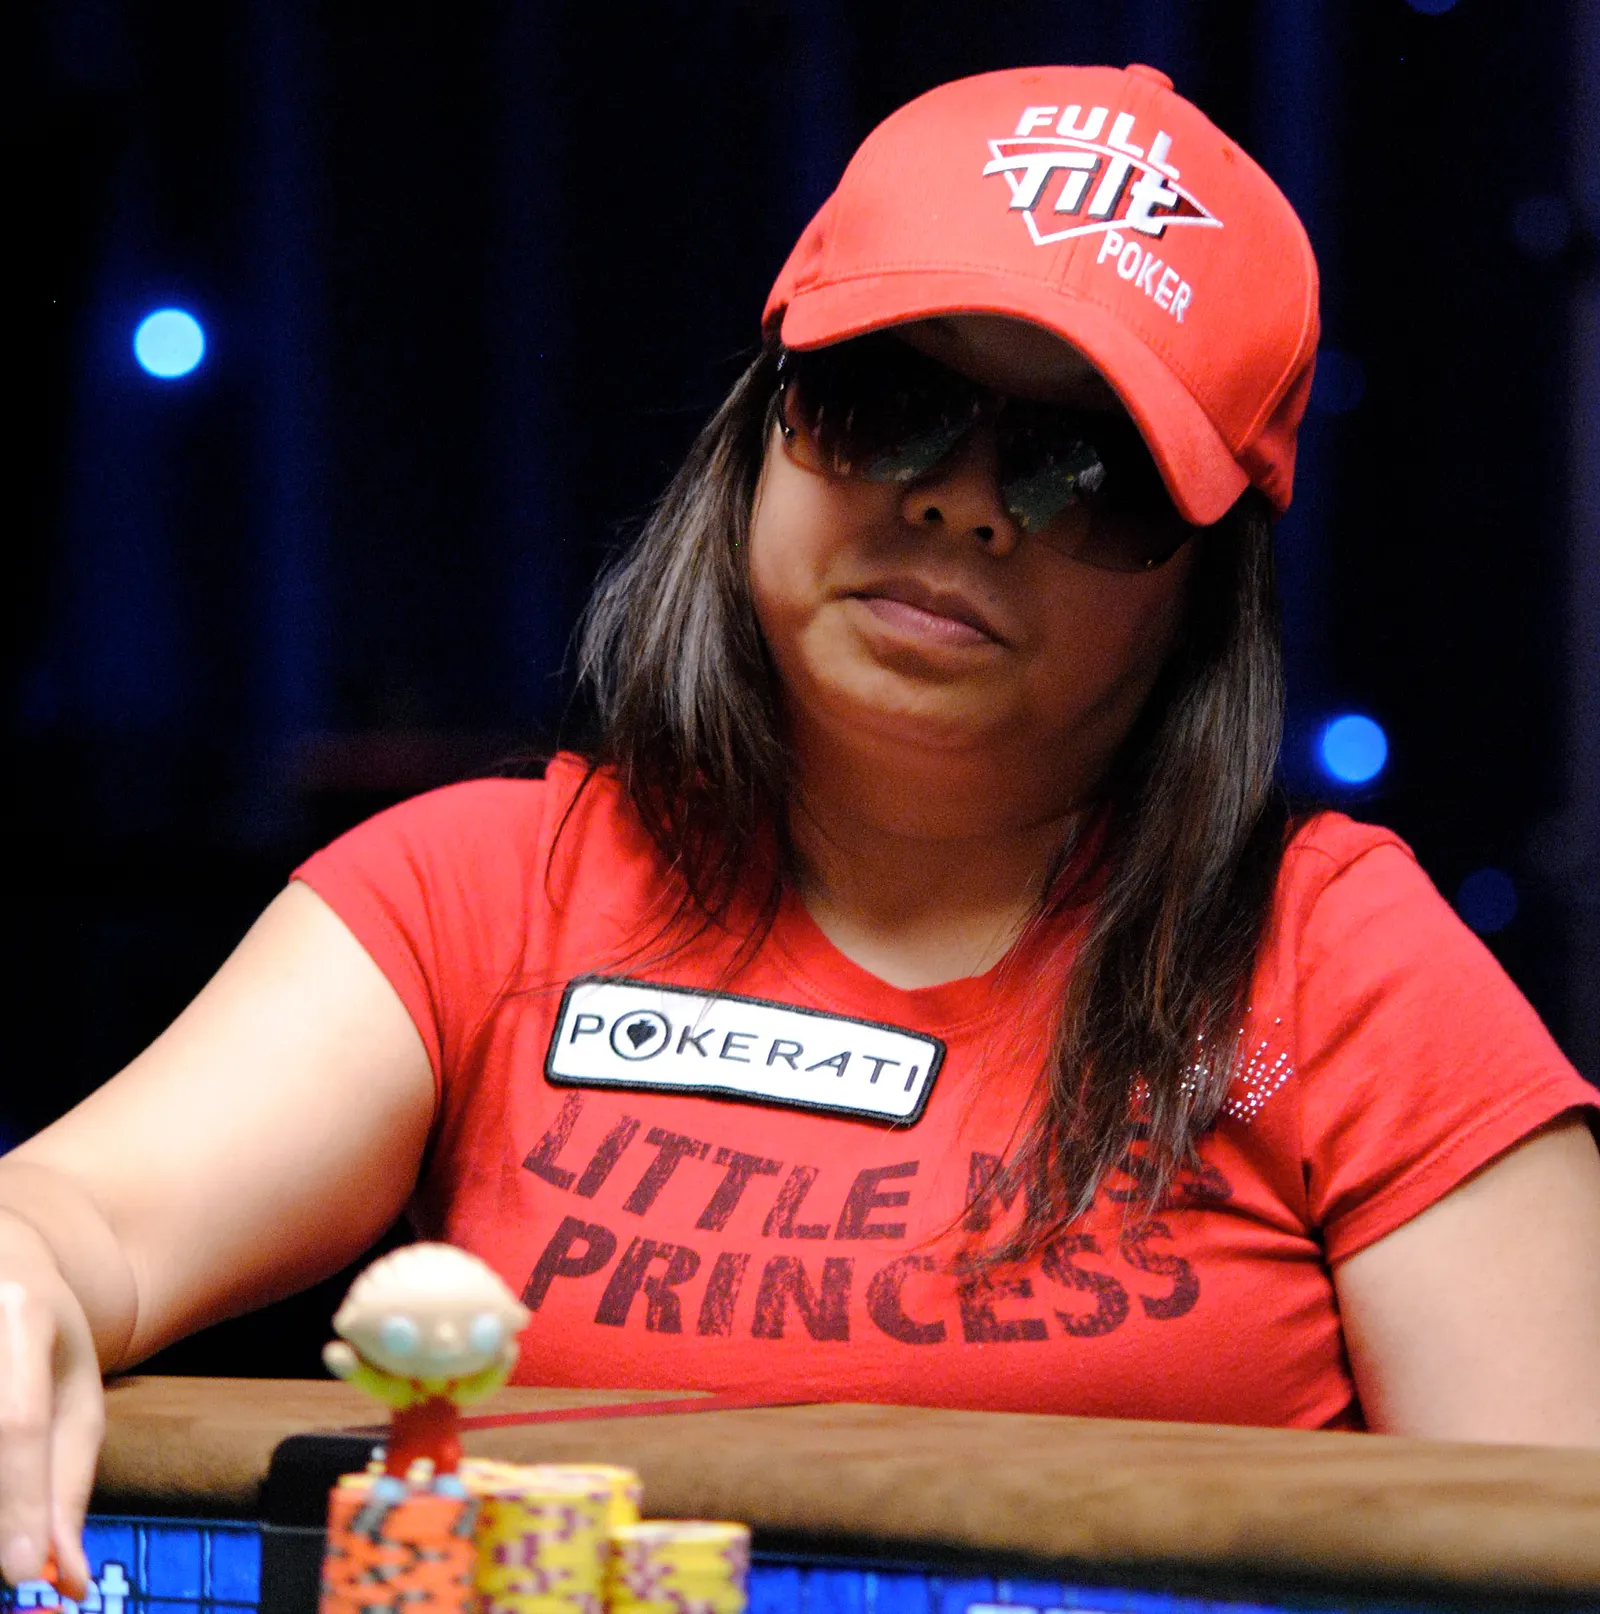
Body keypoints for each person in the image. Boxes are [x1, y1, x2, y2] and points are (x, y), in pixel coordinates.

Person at [4, 60, 1600, 1599]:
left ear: (1204, 577)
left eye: (1083, 463)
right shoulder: (476, 896)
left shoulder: (1335, 963)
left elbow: (1557, 1547)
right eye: (890, 401)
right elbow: (75, 1223)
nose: (962, 502)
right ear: (762, 424)